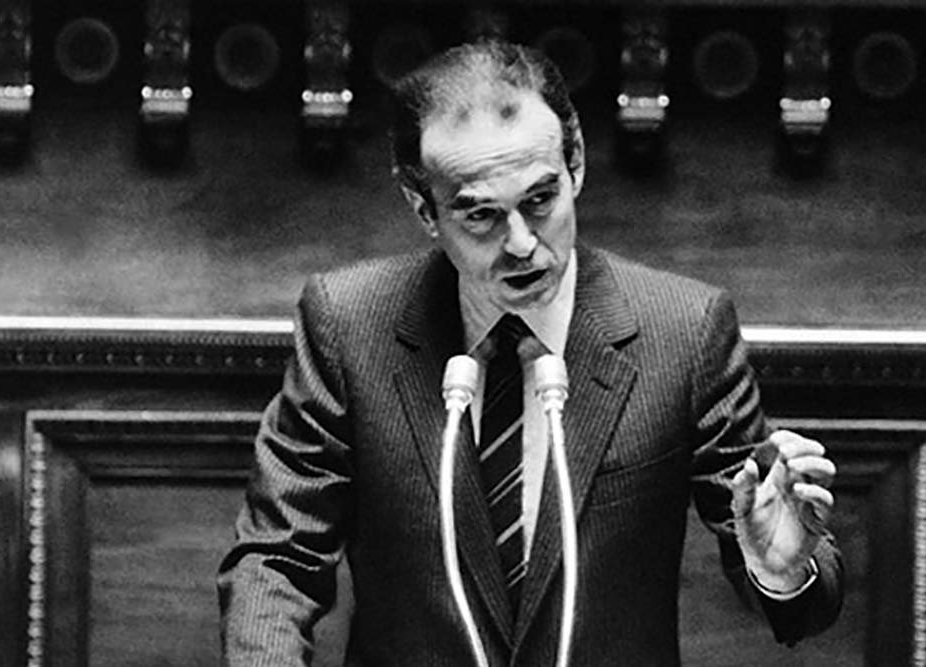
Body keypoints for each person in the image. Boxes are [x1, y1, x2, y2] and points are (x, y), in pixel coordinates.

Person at [218, 40, 843, 666]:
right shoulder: (351, 324)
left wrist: (785, 572)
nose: (521, 243)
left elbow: (788, 575)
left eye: (540, 200)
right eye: (482, 216)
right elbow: (278, 559)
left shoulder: (684, 329)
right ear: (422, 207)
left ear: (575, 165)